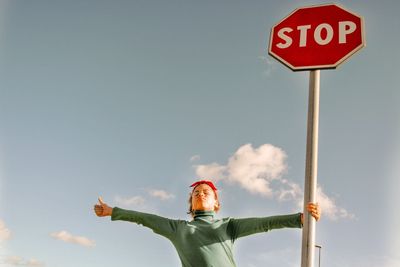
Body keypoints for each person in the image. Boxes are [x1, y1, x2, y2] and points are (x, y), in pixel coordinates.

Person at [94, 180, 321, 267]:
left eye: (206, 192)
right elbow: (144, 219)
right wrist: (113, 211)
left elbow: (264, 223)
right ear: (191, 205)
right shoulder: (178, 228)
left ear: (216, 204)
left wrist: (299, 219)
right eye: (195, 193)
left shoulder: (228, 226)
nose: (200, 194)